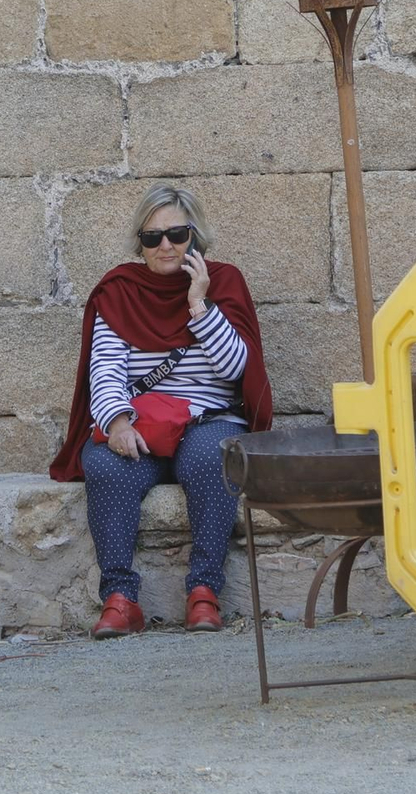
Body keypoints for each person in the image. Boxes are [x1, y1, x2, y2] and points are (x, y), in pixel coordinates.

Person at [49, 185, 272, 638]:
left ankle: (204, 593)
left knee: (213, 459)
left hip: (208, 418)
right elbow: (105, 370)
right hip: (143, 424)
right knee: (106, 465)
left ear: (195, 238)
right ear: (141, 246)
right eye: (153, 238)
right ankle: (119, 598)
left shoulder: (224, 283)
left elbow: (236, 369)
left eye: (176, 234)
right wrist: (116, 421)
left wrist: (199, 304)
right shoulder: (120, 292)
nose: (165, 246)